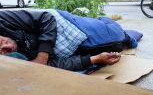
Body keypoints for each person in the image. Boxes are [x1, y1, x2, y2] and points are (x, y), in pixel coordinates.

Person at [0, 9, 141, 72]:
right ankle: (98, 21)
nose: (5, 47)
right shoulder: (14, 66)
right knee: (107, 51)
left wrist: (42, 57)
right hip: (59, 49)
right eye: (2, 53)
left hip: (62, 24)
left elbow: (46, 18)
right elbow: (54, 64)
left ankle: (104, 21)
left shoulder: (2, 19)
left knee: (117, 39)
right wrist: (95, 59)